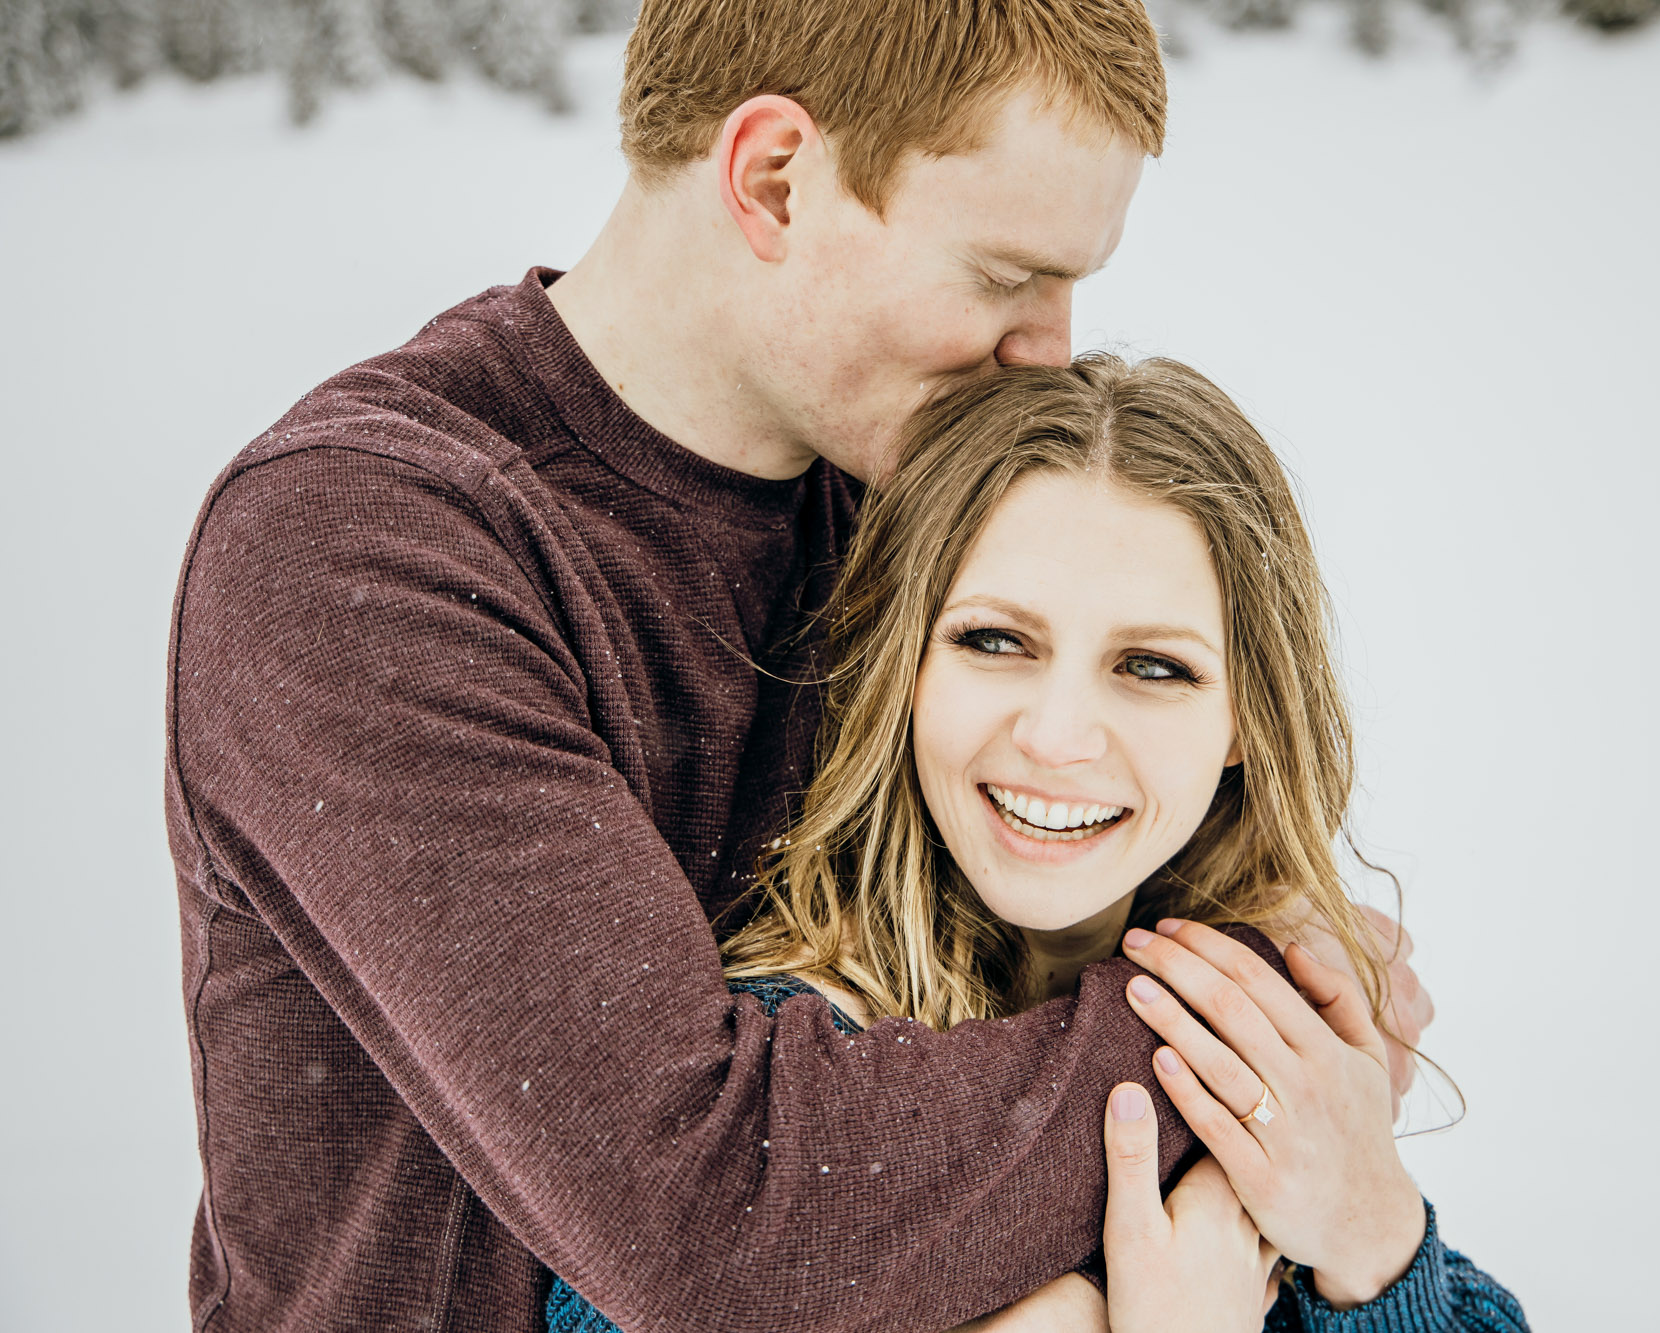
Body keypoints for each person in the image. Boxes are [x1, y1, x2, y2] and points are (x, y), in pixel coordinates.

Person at [166, 3, 1433, 1330]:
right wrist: (1257, 1041)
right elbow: (710, 1223)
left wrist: (1287, 994)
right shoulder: (360, 542)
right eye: (1007, 277)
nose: (1051, 348)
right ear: (773, 177)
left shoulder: (911, 506)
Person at [544, 355, 1525, 1332]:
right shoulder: (767, 1074)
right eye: (994, 641)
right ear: (904, 666)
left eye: (1150, 665)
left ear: (1247, 724)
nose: (1057, 737)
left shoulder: (1271, 1039)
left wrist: (1374, 1236)